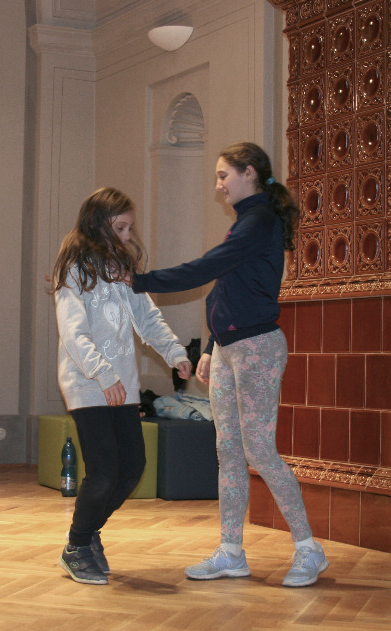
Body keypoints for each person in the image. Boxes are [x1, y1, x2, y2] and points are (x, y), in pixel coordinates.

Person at [129, 142, 328, 587]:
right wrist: (210, 346)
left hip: (257, 347)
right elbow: (225, 288)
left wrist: (139, 281)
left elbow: (205, 269)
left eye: (224, 175)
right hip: (228, 349)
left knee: (259, 450)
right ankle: (231, 552)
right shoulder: (245, 222)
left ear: (249, 172)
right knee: (229, 451)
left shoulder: (260, 221)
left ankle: (308, 549)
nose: (218, 185)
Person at [52, 187, 192, 585]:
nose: (128, 236)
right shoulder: (74, 269)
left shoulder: (121, 268)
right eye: (120, 227)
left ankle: (89, 532)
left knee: (132, 468)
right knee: (104, 470)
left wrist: (175, 352)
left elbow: (147, 318)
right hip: (88, 382)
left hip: (122, 386)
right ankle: (76, 546)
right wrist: (103, 373)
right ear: (98, 224)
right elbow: (73, 332)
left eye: (130, 228)